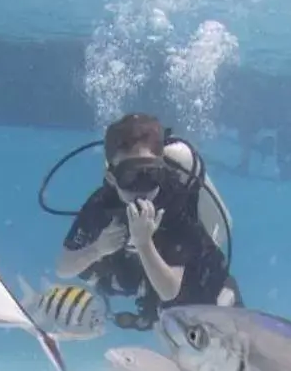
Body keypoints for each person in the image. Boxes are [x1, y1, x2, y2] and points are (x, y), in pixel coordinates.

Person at [55, 112, 236, 331]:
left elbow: (169, 290)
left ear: (162, 170)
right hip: (142, 279)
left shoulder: (174, 201)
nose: (142, 190)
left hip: (194, 280)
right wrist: (97, 249)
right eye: (130, 177)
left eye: (150, 175)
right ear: (112, 177)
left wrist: (143, 243)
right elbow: (63, 268)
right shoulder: (103, 204)